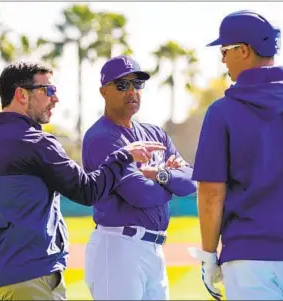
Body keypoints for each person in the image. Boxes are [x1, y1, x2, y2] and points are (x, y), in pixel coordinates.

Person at [0, 61, 166, 301]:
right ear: (21, 94)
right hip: (32, 277)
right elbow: (87, 191)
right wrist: (124, 155)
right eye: (48, 91)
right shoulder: (37, 143)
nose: (55, 99)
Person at [189, 10, 283, 301]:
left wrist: (208, 255)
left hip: (247, 261)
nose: (222, 59)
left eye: (225, 50)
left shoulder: (221, 111)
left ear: (243, 51)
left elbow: (210, 193)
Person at [82, 55, 197, 300]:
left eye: (137, 84)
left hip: (152, 249)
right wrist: (170, 180)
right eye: (122, 85)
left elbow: (190, 181)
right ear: (104, 91)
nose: (132, 91)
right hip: (118, 247)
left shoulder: (154, 132)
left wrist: (158, 174)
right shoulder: (102, 138)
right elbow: (141, 195)